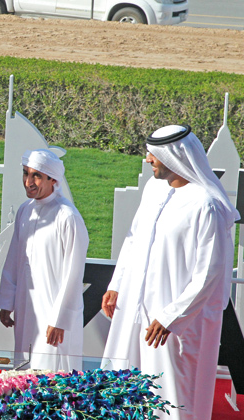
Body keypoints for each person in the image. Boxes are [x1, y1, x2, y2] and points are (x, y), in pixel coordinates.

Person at [101, 125, 237, 420]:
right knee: (121, 392)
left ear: (174, 156)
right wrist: (117, 284)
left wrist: (170, 317)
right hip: (133, 314)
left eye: (154, 154)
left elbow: (208, 274)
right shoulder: (153, 189)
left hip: (174, 327)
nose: (148, 159)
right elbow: (134, 238)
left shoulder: (206, 205)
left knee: (170, 400)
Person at [0, 149, 88, 371]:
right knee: (24, 369)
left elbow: (73, 273)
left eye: (36, 175)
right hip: (26, 308)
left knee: (52, 374)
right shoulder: (24, 211)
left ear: (52, 179)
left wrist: (59, 320)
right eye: (25, 174)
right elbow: (13, 259)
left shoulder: (67, 216)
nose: (28, 182)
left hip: (53, 315)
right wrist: (7, 302)